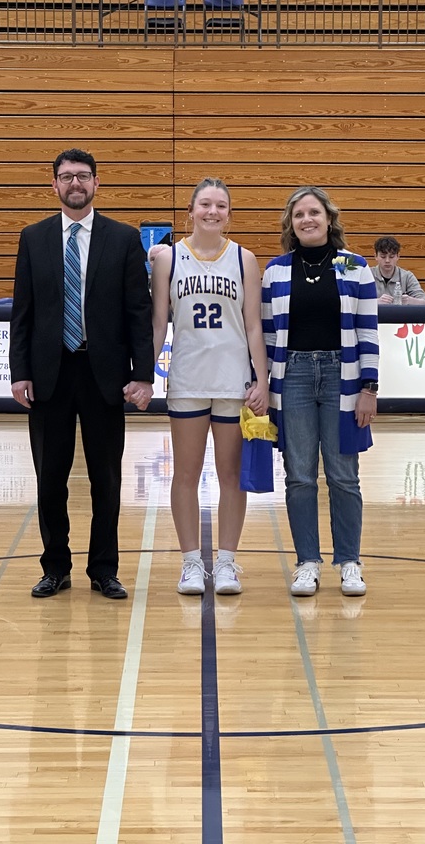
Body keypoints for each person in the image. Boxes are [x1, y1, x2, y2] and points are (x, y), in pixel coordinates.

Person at [9, 148, 154, 600]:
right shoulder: (33, 238)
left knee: (106, 479)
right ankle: (55, 567)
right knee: (50, 478)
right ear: (53, 185)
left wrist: (144, 374)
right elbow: (23, 313)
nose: (76, 183)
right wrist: (20, 371)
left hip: (104, 375)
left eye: (84, 176)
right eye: (67, 176)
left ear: (96, 184)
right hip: (50, 375)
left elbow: (138, 312)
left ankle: (103, 569)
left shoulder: (124, 238)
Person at [151, 178, 268, 597]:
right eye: (205, 204)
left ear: (229, 214)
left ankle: (226, 563)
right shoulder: (168, 259)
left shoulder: (244, 260)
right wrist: (145, 373)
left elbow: (254, 325)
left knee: (231, 475)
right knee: (185, 474)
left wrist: (263, 380)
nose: (212, 211)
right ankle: (189, 563)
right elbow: (159, 323)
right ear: (191, 210)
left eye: (221, 205)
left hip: (233, 382)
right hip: (186, 379)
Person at [262, 186, 378, 598]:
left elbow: (367, 332)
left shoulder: (356, 267)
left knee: (344, 475)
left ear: (329, 219)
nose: (307, 220)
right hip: (291, 376)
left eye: (314, 212)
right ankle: (307, 563)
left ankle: (349, 562)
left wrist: (369, 387)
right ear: (290, 225)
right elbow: (265, 336)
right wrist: (261, 387)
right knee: (299, 476)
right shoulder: (275, 271)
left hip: (341, 378)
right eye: (299, 215)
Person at [371, 235, 425, 304]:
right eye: (383, 257)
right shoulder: (368, 275)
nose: (387, 260)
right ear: (376, 256)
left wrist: (410, 300)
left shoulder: (407, 276)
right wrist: (374, 302)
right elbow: (356, 302)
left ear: (398, 256)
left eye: (391, 257)